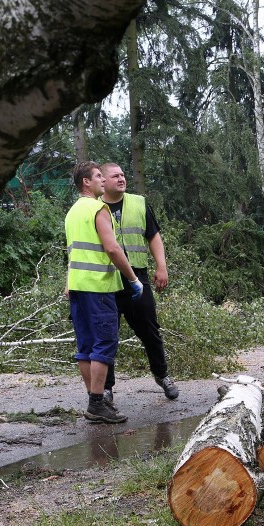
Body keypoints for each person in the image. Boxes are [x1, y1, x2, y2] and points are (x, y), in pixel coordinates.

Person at [65, 161, 144, 424]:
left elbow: (72, 253)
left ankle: (93, 400)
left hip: (77, 287)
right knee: (104, 343)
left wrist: (68, 283)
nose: (102, 180)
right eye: (98, 176)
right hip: (98, 287)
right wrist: (133, 278)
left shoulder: (72, 212)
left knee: (85, 346)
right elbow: (112, 248)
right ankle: (97, 403)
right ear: (86, 182)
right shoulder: (99, 208)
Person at [99, 162, 178, 407]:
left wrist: (161, 266)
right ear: (103, 180)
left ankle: (162, 375)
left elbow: (153, 236)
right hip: (106, 279)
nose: (122, 179)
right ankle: (106, 389)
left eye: (123, 174)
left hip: (138, 278)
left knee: (150, 330)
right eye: (116, 176)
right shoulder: (94, 207)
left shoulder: (139, 203)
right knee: (107, 335)